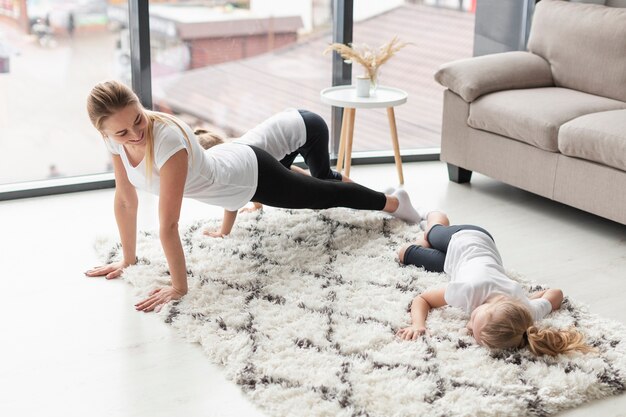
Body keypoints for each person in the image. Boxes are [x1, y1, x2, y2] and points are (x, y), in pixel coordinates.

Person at [84, 80, 422, 313]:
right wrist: (128, 259)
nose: (135, 133)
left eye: (138, 120)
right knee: (315, 188)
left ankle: (393, 202)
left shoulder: (168, 142)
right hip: (231, 168)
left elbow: (169, 225)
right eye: (122, 132)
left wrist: (178, 287)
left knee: (322, 195)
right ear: (104, 133)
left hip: (247, 172)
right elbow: (126, 200)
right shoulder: (114, 140)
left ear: (140, 106)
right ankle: (388, 199)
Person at [395, 211, 594, 356]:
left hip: (457, 263)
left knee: (405, 253)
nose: (468, 325)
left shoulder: (524, 314)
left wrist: (530, 300)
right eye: (474, 323)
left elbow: (556, 293)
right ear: (487, 305)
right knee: (430, 234)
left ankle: (426, 243)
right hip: (465, 238)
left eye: (472, 331)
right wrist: (418, 325)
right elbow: (423, 299)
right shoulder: (469, 290)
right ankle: (436, 219)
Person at [194, 108, 353, 229]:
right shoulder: (235, 147)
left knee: (324, 176)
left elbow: (232, 202)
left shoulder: (237, 162)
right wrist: (257, 206)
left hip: (309, 128)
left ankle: (359, 193)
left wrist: (223, 231)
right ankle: (318, 188)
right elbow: (253, 181)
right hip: (298, 117)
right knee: (284, 170)